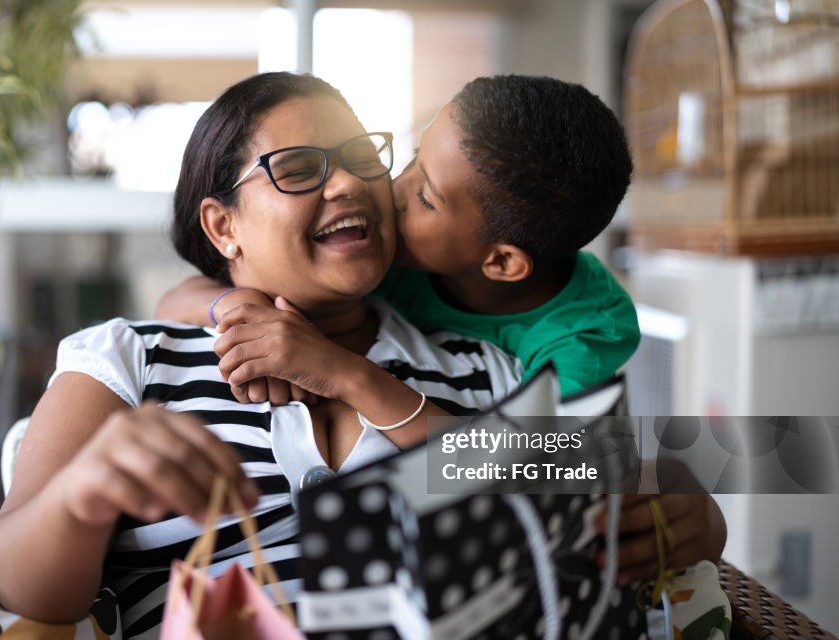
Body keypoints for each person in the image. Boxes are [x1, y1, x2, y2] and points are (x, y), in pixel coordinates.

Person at [0, 71, 523, 640]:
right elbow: (3, 593)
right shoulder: (128, 359)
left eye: (361, 159)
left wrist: (623, 500)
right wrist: (83, 495)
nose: (347, 182)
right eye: (296, 169)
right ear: (222, 227)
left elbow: (596, 474)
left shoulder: (484, 366)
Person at [157, 74, 724, 587]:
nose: (387, 191)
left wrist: (345, 374)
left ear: (500, 262)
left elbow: (547, 471)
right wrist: (241, 308)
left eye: (424, 195)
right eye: (409, 160)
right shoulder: (390, 260)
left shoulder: (577, 336)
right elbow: (178, 297)